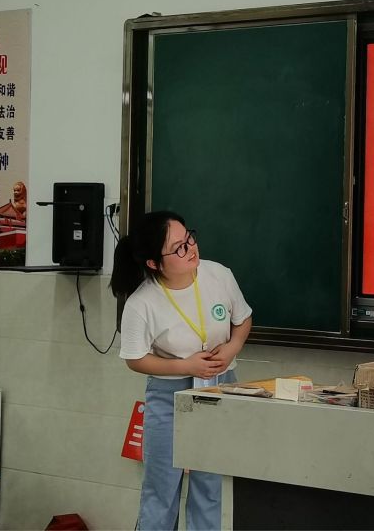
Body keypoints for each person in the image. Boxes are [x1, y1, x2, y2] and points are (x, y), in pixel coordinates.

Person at [111, 211, 253, 530]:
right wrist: (186, 366)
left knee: (211, 487)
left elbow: (243, 319)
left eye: (189, 238)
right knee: (161, 491)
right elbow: (134, 358)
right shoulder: (141, 303)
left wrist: (232, 347)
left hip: (220, 388)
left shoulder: (218, 275)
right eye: (178, 248)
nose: (191, 248)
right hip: (169, 397)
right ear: (154, 263)